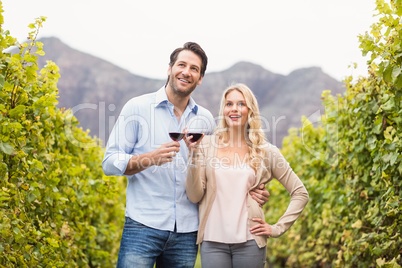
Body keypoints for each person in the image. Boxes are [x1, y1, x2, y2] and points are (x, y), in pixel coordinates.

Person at [102, 42, 270, 268]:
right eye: (181, 65)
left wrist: (251, 193)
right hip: (142, 226)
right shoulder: (137, 108)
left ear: (200, 78)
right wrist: (150, 158)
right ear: (170, 68)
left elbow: (221, 171)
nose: (186, 72)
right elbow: (109, 163)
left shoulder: (206, 120)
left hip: (187, 232)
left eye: (194, 69)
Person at [185, 83, 309, 268]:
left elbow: (300, 193)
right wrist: (193, 154)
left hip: (250, 241)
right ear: (223, 110)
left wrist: (276, 228)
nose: (234, 108)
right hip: (212, 241)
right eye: (229, 104)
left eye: (241, 104)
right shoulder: (205, 145)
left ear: (250, 110)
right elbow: (194, 195)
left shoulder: (267, 151)